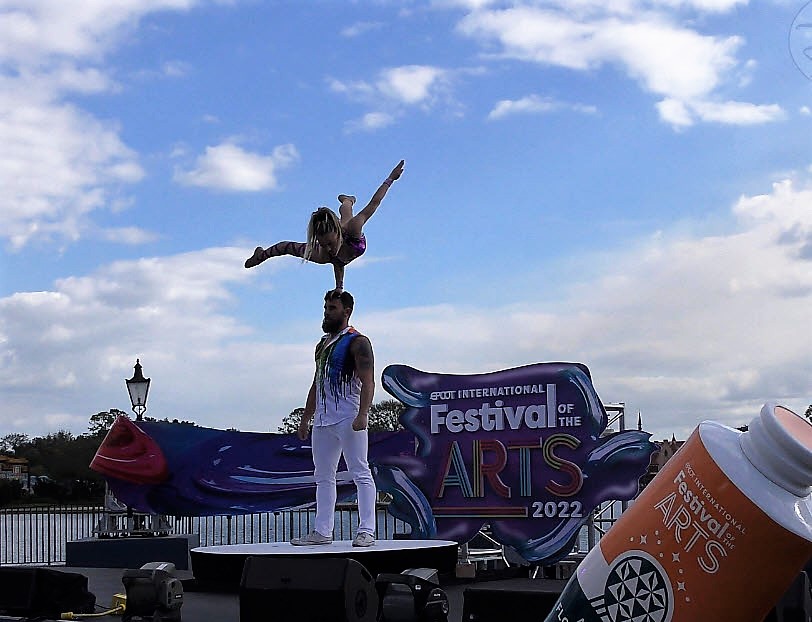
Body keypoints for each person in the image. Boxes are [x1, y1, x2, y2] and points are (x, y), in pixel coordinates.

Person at [291, 289, 377, 547]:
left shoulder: (357, 341)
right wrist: (306, 417)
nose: (327, 313)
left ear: (346, 311)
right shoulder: (322, 344)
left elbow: (368, 381)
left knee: (360, 471)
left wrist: (363, 413)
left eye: (332, 308)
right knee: (323, 475)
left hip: (349, 416)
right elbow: (317, 382)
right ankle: (322, 531)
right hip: (323, 420)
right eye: (326, 308)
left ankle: (367, 530)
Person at [244, 160, 405, 292]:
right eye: (323, 244)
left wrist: (390, 178)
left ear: (337, 233)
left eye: (329, 243)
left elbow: (374, 203)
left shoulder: (353, 227)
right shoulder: (323, 254)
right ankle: (261, 255)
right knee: (290, 248)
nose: (328, 248)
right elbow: (338, 262)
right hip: (341, 238)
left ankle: (348, 200)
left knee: (347, 214)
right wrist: (339, 287)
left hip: (349, 236)